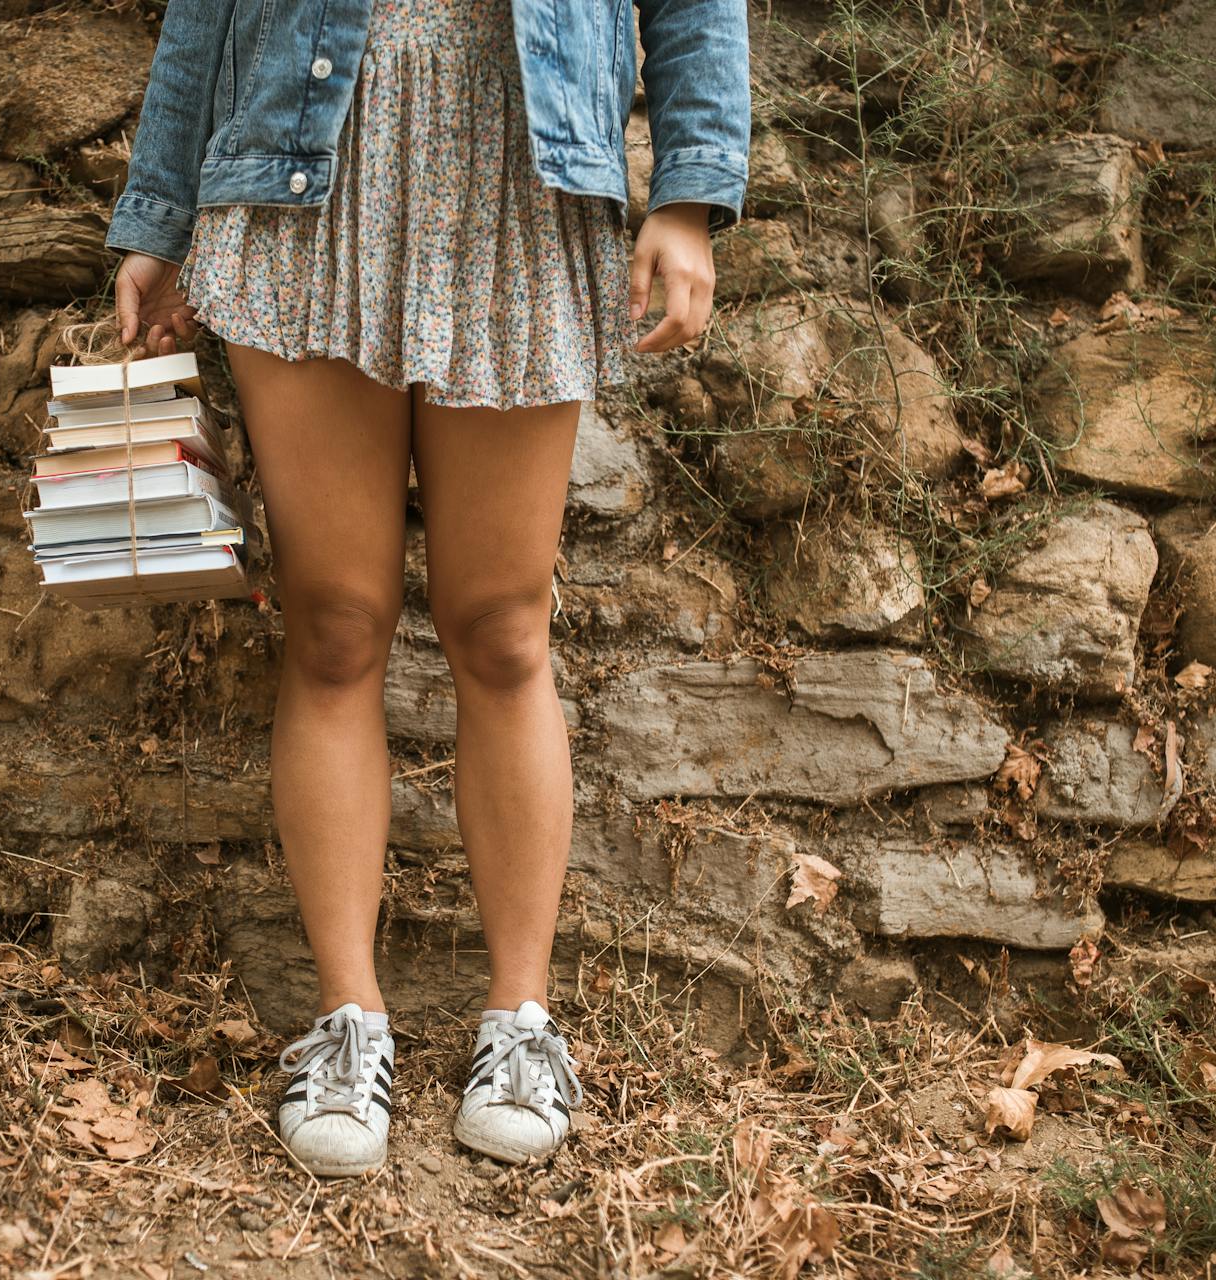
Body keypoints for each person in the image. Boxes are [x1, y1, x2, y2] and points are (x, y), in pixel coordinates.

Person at [107, 0, 750, 1177]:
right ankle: (348, 1021)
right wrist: (156, 213)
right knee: (335, 622)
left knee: (503, 626)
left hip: (519, 167)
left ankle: (522, 1023)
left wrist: (689, 194)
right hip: (305, 167)